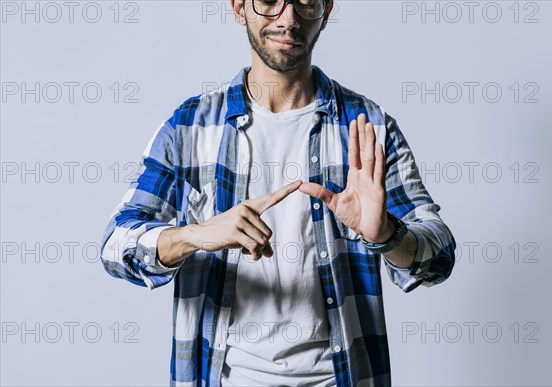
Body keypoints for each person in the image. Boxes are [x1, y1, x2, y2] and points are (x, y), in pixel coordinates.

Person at [99, 0, 456, 385]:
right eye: (269, 1)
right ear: (239, 8)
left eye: (305, 3)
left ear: (326, 10)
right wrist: (194, 235)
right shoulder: (190, 126)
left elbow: (438, 256)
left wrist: (386, 234)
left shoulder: (367, 128)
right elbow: (116, 247)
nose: (288, 19)